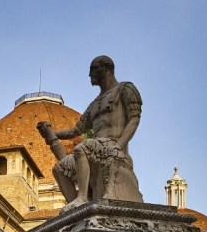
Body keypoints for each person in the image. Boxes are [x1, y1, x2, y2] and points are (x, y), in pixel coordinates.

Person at [37, 55, 143, 209]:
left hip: (113, 143)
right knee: (59, 168)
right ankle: (77, 208)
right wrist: (52, 133)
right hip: (94, 148)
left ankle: (82, 197)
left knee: (82, 148)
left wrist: (119, 146)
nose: (89, 74)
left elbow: (134, 119)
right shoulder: (94, 104)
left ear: (106, 69)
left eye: (93, 69)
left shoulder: (125, 89)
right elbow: (76, 131)